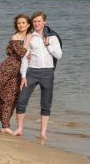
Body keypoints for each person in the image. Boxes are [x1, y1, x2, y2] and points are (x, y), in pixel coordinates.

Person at [14, 11, 62, 141]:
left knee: (46, 105)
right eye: (35, 21)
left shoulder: (52, 37)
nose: (37, 23)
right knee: (21, 101)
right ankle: (19, 129)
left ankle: (43, 133)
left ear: (44, 22)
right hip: (31, 72)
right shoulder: (30, 37)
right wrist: (23, 76)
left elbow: (59, 55)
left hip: (47, 73)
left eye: (39, 21)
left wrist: (48, 44)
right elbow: (24, 58)